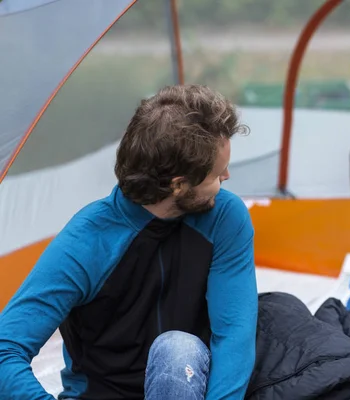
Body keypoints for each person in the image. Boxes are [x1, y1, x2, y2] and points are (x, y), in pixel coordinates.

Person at [0, 84, 258, 400]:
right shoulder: (87, 241)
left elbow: (234, 334)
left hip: (188, 382)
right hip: (102, 393)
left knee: (179, 350)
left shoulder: (225, 217)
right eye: (217, 174)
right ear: (178, 185)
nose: (228, 177)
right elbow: (5, 349)